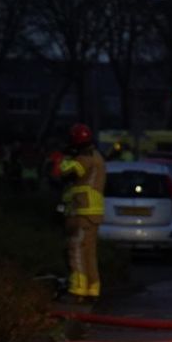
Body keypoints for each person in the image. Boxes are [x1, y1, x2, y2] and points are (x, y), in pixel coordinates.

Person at [51, 123, 106, 302]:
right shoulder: (97, 155)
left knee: (76, 250)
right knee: (89, 252)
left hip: (81, 211)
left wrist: (60, 159)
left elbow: (66, 172)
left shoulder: (84, 158)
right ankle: (92, 289)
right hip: (92, 213)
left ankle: (77, 290)